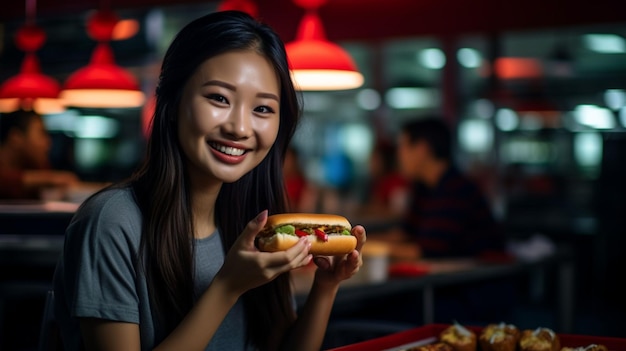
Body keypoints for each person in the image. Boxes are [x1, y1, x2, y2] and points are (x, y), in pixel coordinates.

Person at [52, 10, 365, 351]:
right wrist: (228, 286)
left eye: (262, 109)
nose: (240, 128)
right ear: (172, 102)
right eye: (219, 98)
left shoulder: (253, 223)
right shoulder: (112, 222)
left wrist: (326, 286)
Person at [395, 116, 504, 258]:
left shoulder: (456, 190)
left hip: (479, 276)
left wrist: (366, 249)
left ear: (422, 149)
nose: (399, 155)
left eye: (403, 147)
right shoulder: (424, 187)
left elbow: (426, 250)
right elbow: (406, 234)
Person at [0, 109, 79, 200]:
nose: (48, 142)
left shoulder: (34, 164)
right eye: (42, 133)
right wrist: (52, 179)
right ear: (16, 137)